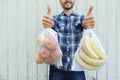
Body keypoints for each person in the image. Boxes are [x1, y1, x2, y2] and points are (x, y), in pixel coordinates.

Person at [37, 0, 95, 80]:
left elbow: (85, 23)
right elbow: (51, 23)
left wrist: (88, 23)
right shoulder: (54, 19)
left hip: (77, 69)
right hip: (57, 70)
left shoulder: (81, 19)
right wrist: (48, 23)